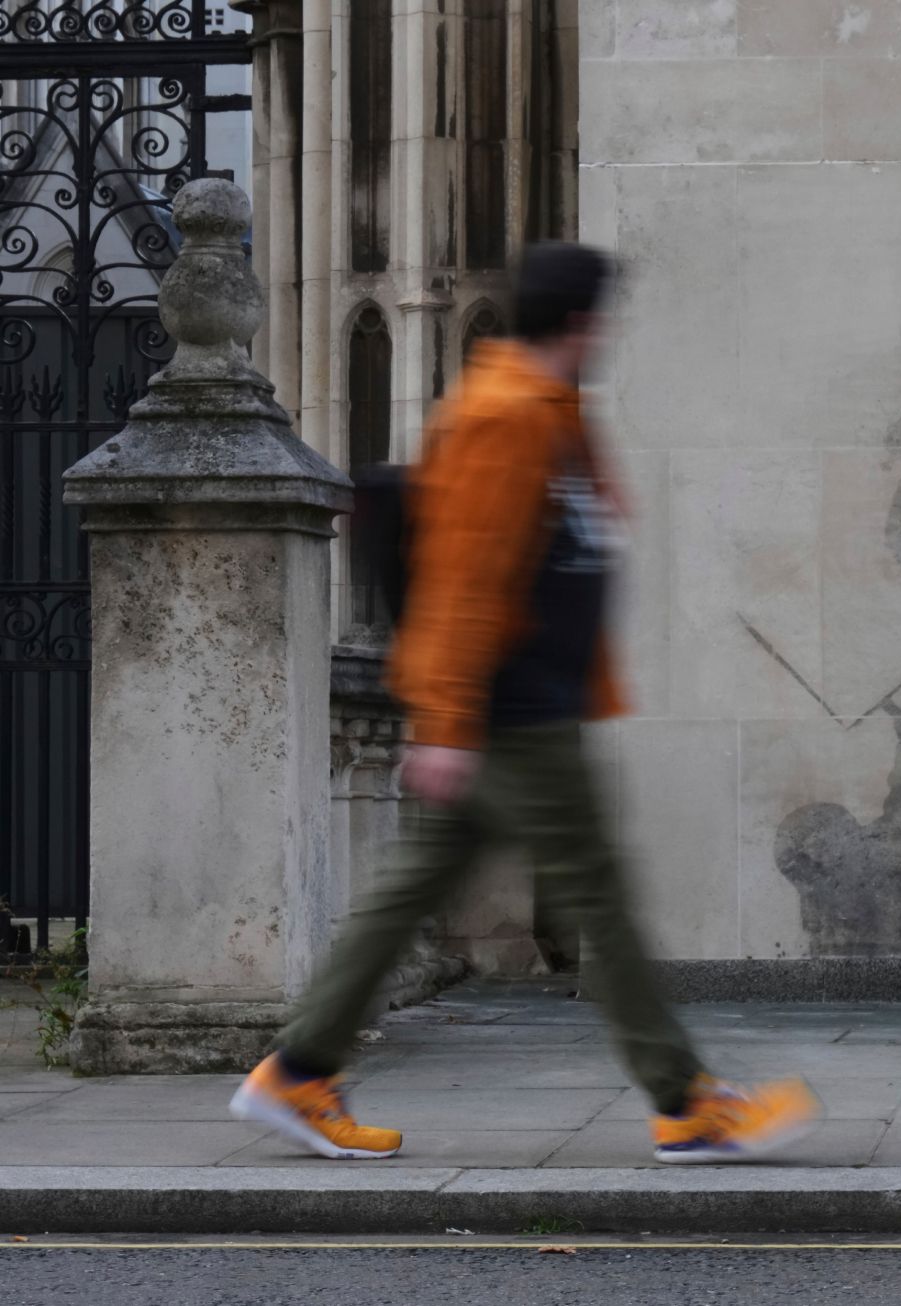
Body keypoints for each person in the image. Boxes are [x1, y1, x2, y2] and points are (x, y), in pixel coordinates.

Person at [229, 243, 818, 1162]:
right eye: (605, 319)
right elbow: (465, 578)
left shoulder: (546, 410)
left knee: (409, 893)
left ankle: (299, 1071)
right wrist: (448, 724)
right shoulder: (505, 416)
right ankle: (685, 1101)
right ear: (582, 322)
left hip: (522, 703)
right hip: (515, 712)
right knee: (603, 901)